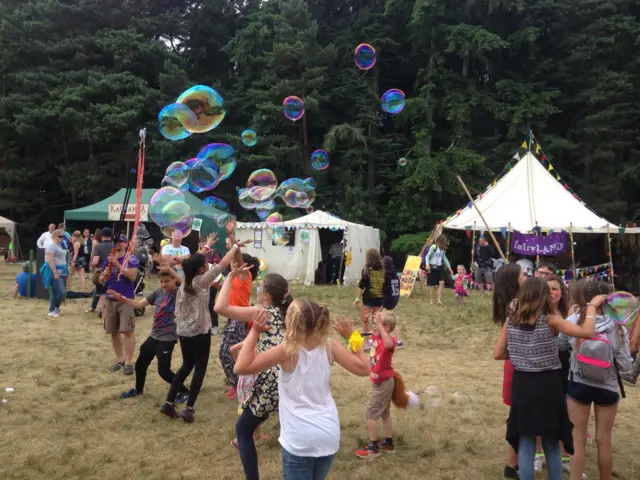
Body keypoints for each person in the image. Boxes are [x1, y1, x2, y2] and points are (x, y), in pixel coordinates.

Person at [233, 301, 370, 480]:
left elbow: (241, 367)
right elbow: (364, 368)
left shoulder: (288, 350)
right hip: (328, 435)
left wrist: (255, 331)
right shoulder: (329, 345)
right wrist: (352, 336)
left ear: (291, 322)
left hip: (300, 440)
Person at [493, 277, 598, 480]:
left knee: (526, 442)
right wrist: (592, 306)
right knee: (551, 441)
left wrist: (520, 354)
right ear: (543, 297)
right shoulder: (551, 320)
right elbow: (587, 332)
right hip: (549, 385)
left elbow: (497, 353)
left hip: (523, 384)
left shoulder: (510, 321)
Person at [160, 233, 249, 423]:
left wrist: (207, 246)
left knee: (186, 365)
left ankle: (168, 402)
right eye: (205, 264)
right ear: (202, 269)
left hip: (183, 331)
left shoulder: (187, 280)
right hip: (199, 331)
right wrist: (235, 246)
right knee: (199, 368)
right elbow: (222, 264)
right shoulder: (201, 281)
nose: (208, 265)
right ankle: (189, 408)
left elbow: (191, 261)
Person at [215, 269, 292, 480]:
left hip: (269, 381)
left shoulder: (262, 313)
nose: (257, 289)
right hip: (288, 377)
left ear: (266, 294)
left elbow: (220, 307)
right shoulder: (289, 314)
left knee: (242, 429)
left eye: (261, 286)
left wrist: (229, 277)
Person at [558, 280, 633, 480]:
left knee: (578, 438)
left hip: (578, 384)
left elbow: (560, 344)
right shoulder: (618, 327)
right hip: (607, 388)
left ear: (585, 298)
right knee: (603, 440)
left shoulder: (574, 319)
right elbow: (626, 366)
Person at [108, 265, 189, 403]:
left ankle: (184, 391)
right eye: (162, 281)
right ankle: (138, 390)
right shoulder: (158, 292)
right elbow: (139, 304)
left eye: (167, 281)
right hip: (154, 335)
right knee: (140, 364)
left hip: (167, 338)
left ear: (174, 280)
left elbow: (185, 284)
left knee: (163, 371)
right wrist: (121, 298)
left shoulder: (179, 293)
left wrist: (171, 271)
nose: (164, 284)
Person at [492, 262, 528, 480]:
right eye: (523, 274)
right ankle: (512, 465)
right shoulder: (517, 309)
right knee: (518, 418)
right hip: (520, 368)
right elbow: (501, 350)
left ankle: (513, 463)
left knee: (517, 416)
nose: (527, 276)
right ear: (514, 281)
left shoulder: (513, 305)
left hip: (515, 365)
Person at [534, 274, 571, 473]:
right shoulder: (536, 313)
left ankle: (565, 455)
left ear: (562, 291)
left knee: (565, 412)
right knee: (540, 411)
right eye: (547, 290)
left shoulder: (570, 313)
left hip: (565, 367)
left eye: (555, 289)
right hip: (542, 369)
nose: (552, 293)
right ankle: (539, 454)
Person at [355, 310, 398, 459]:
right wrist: (365, 323)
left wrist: (378, 325)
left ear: (386, 327)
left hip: (384, 383)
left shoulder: (389, 341)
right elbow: (366, 341)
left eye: (378, 324)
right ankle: (388, 442)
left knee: (371, 414)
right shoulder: (377, 337)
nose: (375, 327)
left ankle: (373, 447)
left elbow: (387, 344)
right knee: (385, 413)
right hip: (379, 382)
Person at [218, 252, 260, 398]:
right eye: (233, 262)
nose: (233, 264)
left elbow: (238, 258)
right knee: (230, 353)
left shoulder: (244, 276)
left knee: (226, 353)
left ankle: (238, 384)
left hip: (239, 319)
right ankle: (238, 383)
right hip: (233, 318)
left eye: (236, 262)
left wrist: (233, 240)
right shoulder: (234, 277)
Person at [102, 234, 139, 375]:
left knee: (127, 331)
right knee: (113, 332)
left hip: (126, 299)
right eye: (116, 241)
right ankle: (120, 360)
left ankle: (129, 362)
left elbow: (133, 276)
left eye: (121, 242)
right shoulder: (109, 258)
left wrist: (118, 265)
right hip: (110, 299)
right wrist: (103, 275)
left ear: (126, 244)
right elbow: (102, 278)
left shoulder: (131, 258)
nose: (118, 244)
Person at [353, 248, 384, 349]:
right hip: (379, 299)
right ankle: (376, 341)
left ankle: (366, 342)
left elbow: (362, 285)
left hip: (368, 300)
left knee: (365, 321)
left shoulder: (366, 270)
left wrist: (357, 298)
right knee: (377, 321)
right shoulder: (383, 269)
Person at [44, 229, 69, 317]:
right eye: (60, 236)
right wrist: (55, 272)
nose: (62, 238)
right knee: (62, 293)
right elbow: (50, 260)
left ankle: (52, 309)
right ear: (54, 236)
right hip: (56, 272)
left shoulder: (60, 245)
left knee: (55, 292)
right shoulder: (51, 246)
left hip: (63, 272)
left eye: (63, 236)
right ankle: (56, 307)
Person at [424, 234, 453, 305]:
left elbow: (444, 258)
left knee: (442, 283)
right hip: (432, 267)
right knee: (433, 285)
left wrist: (449, 268)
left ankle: (439, 300)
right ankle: (431, 300)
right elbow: (427, 256)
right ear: (440, 241)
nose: (445, 243)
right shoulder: (434, 247)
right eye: (444, 242)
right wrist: (427, 264)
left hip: (440, 267)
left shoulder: (442, 249)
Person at [89, 228, 113, 315]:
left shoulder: (98, 247)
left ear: (102, 236)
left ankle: (104, 315)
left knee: (102, 294)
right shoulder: (116, 246)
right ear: (111, 236)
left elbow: (95, 261)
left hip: (102, 273)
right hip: (114, 272)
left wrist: (92, 267)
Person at [382, 256, 403, 348]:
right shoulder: (395, 274)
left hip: (388, 300)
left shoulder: (387, 275)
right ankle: (394, 339)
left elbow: (385, 288)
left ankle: (397, 340)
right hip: (395, 299)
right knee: (388, 319)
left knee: (384, 319)